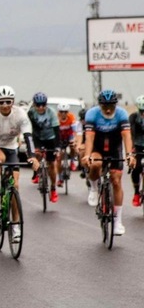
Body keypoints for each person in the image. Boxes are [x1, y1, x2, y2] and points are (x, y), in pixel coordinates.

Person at [0, 86, 39, 241]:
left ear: (13, 101)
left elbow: (28, 137)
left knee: (15, 186)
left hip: (12, 147)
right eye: (1, 102)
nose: (5, 105)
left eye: (8, 101)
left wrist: (32, 156)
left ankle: (15, 225)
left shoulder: (20, 114)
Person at [81, 89, 136, 235]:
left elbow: (126, 136)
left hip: (114, 148)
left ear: (115, 105)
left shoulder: (121, 114)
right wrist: (87, 155)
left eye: (111, 106)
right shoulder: (92, 114)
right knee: (95, 164)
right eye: (104, 106)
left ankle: (118, 222)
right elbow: (90, 137)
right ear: (100, 105)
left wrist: (130, 155)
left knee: (116, 181)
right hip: (97, 146)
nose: (108, 109)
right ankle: (93, 188)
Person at [28, 92, 61, 203]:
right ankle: (36, 172)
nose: (41, 107)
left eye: (43, 105)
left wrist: (57, 147)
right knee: (36, 154)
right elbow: (27, 127)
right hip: (37, 137)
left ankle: (53, 188)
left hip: (50, 138)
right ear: (34, 105)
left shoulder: (51, 112)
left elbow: (56, 130)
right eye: (38, 105)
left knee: (51, 164)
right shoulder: (31, 113)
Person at [56, 102, 82, 187]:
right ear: (58, 112)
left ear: (68, 112)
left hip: (69, 136)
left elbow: (75, 130)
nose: (63, 114)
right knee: (59, 157)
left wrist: (74, 140)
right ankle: (60, 178)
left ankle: (72, 161)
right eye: (61, 112)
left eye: (65, 112)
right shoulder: (56, 119)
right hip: (59, 137)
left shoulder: (71, 117)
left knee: (72, 146)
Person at [129, 95, 144, 207]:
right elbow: (130, 133)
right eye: (142, 111)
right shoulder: (133, 117)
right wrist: (132, 148)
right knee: (136, 168)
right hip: (138, 145)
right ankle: (136, 192)